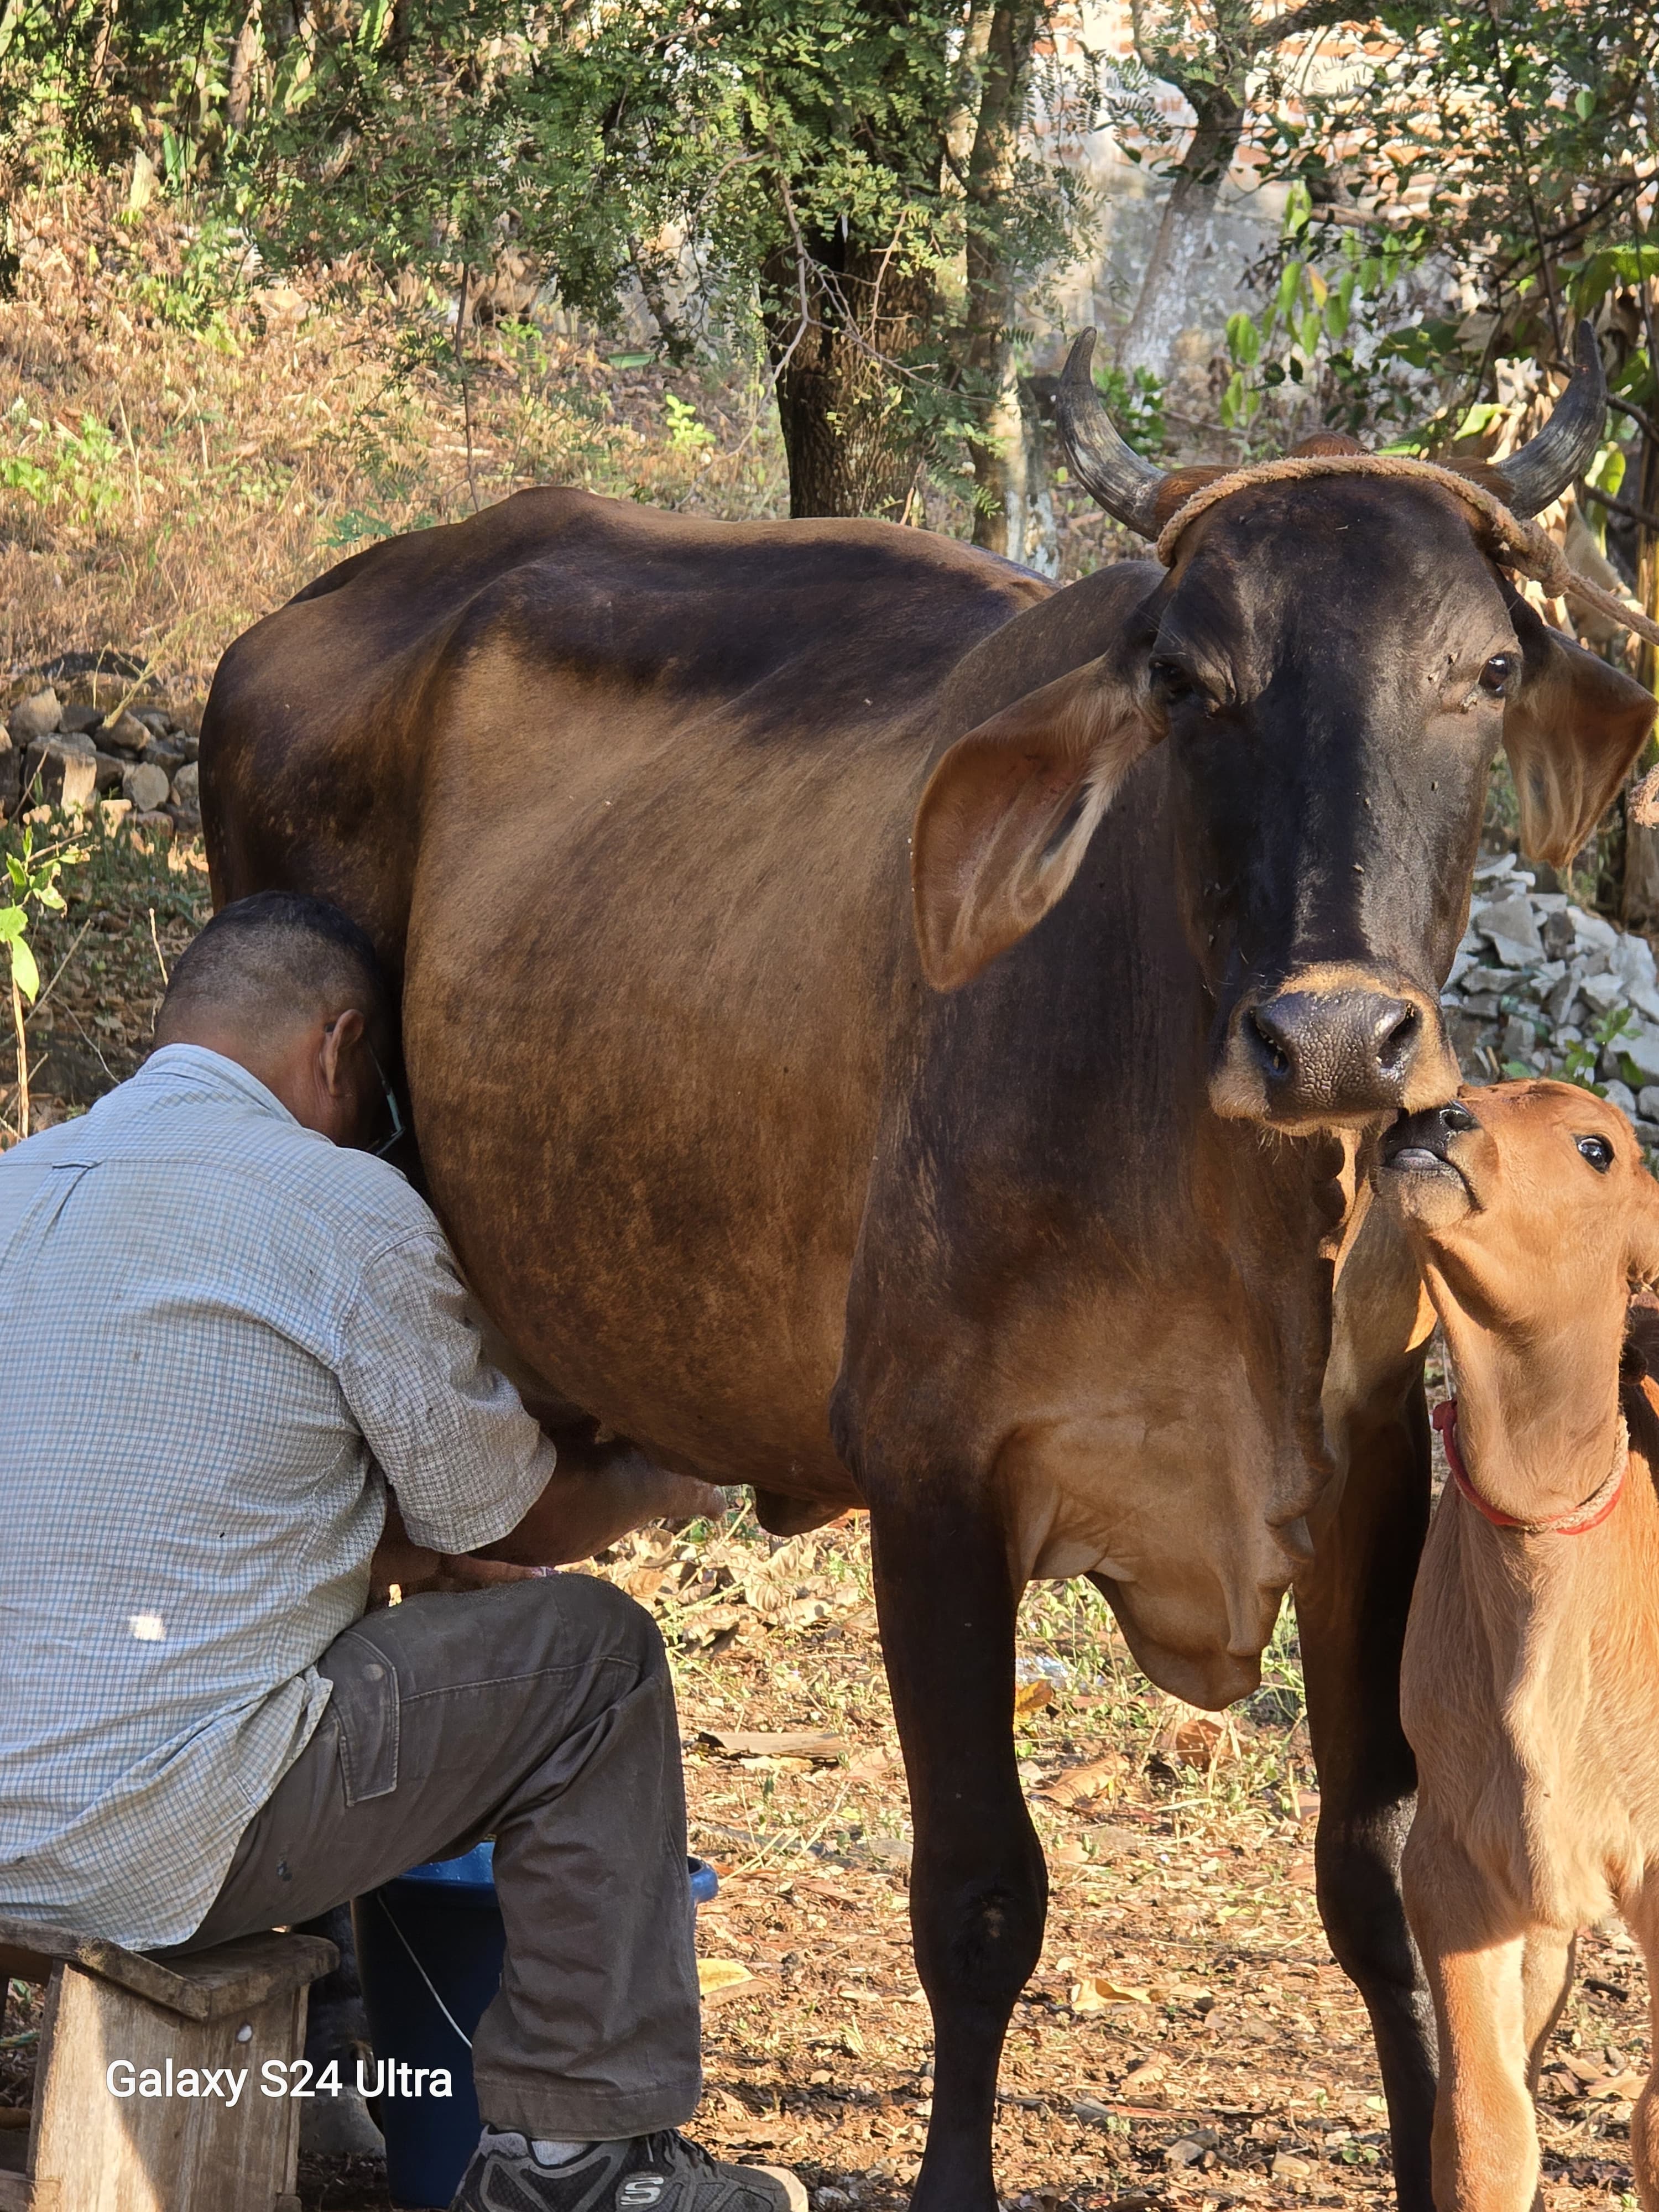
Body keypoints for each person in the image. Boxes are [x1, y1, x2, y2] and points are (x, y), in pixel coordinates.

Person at [0, 891, 804, 2212]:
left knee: (260, 1667)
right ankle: (578, 2157)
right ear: (339, 1046)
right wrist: (662, 1469)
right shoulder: (339, 1202)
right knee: (595, 1663)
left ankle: (339, 2071)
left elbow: (129, 1509)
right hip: (140, 1848)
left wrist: (389, 1556)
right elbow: (510, 1519)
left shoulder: (25, 1181)